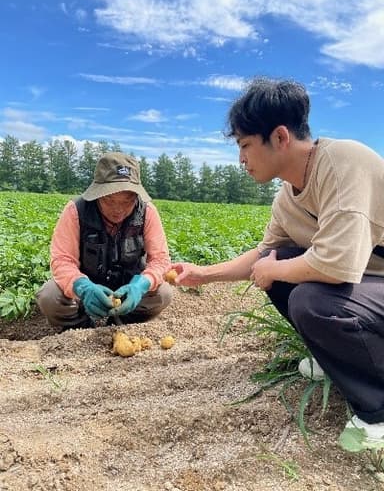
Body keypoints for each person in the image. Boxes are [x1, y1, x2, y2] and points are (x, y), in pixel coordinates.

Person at [171, 77, 384, 442]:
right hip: (372, 286)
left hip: (370, 284)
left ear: (280, 137)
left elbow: (334, 266)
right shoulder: (287, 197)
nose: (241, 159)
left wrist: (273, 269)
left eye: (245, 145)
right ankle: (339, 357)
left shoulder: (343, 163)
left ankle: (377, 413)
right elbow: (263, 256)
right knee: (280, 261)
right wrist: (203, 273)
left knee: (311, 299)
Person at [37, 152, 172, 330]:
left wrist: (141, 285)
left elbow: (160, 260)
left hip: (128, 283)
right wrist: (82, 287)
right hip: (88, 284)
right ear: (98, 194)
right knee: (50, 296)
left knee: (162, 294)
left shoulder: (147, 212)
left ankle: (122, 324)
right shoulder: (76, 211)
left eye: (127, 201)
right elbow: (62, 260)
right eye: (109, 200)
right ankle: (80, 330)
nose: (118, 210)